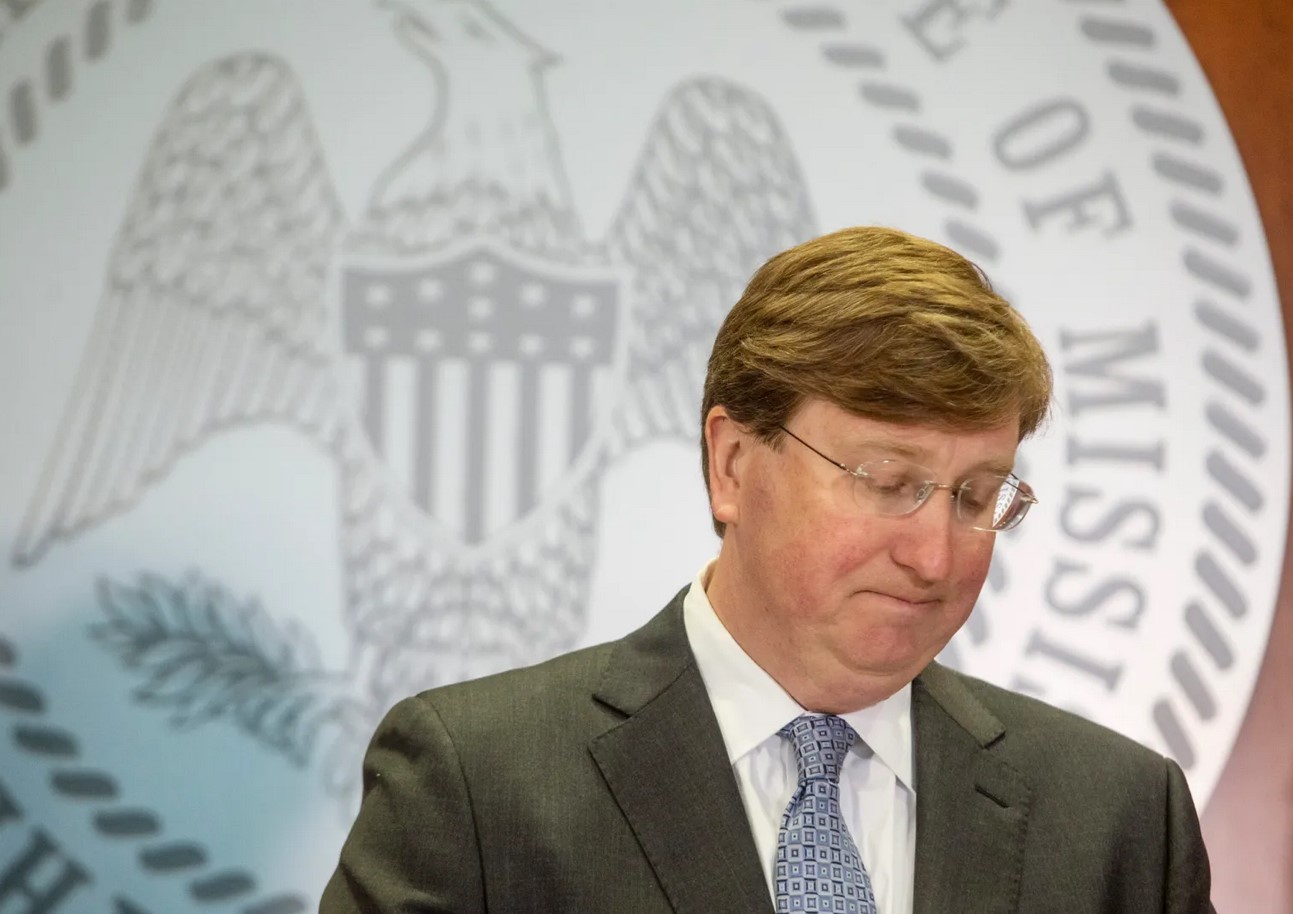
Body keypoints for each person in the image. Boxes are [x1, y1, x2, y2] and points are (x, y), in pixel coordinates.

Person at [319, 226, 1214, 913]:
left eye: (976, 496)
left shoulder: (1118, 819)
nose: (934, 556)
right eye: (887, 482)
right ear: (733, 465)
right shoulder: (477, 783)